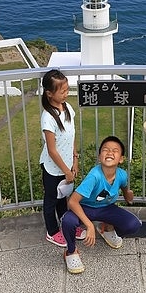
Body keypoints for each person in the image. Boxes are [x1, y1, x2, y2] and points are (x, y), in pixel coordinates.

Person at [60, 136, 142, 274]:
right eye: (105, 150)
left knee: (133, 225)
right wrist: (89, 225)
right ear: (99, 157)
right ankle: (71, 251)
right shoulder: (94, 176)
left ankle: (107, 227)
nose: (110, 153)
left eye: (115, 151)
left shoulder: (122, 174)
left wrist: (128, 194)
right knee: (68, 221)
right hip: (85, 208)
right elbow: (72, 201)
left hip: (106, 209)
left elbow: (124, 186)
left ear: (121, 159)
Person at [40, 69, 86, 246]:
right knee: (51, 200)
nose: (67, 93)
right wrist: (67, 171)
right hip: (53, 168)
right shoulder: (48, 118)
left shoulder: (67, 109)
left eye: (67, 89)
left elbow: (71, 135)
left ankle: (67, 226)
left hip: (67, 164)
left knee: (63, 197)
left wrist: (75, 159)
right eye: (63, 91)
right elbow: (52, 150)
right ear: (49, 93)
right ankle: (52, 231)